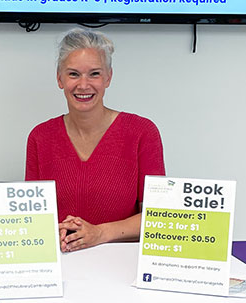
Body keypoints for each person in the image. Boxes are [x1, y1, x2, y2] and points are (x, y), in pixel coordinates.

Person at [25, 28, 165, 252]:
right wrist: (55, 231)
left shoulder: (142, 132)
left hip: (122, 262)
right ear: (59, 79)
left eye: (94, 74)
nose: (83, 85)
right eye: (73, 74)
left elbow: (158, 217)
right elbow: (33, 217)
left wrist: (99, 233)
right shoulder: (40, 137)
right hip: (63, 260)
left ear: (108, 77)